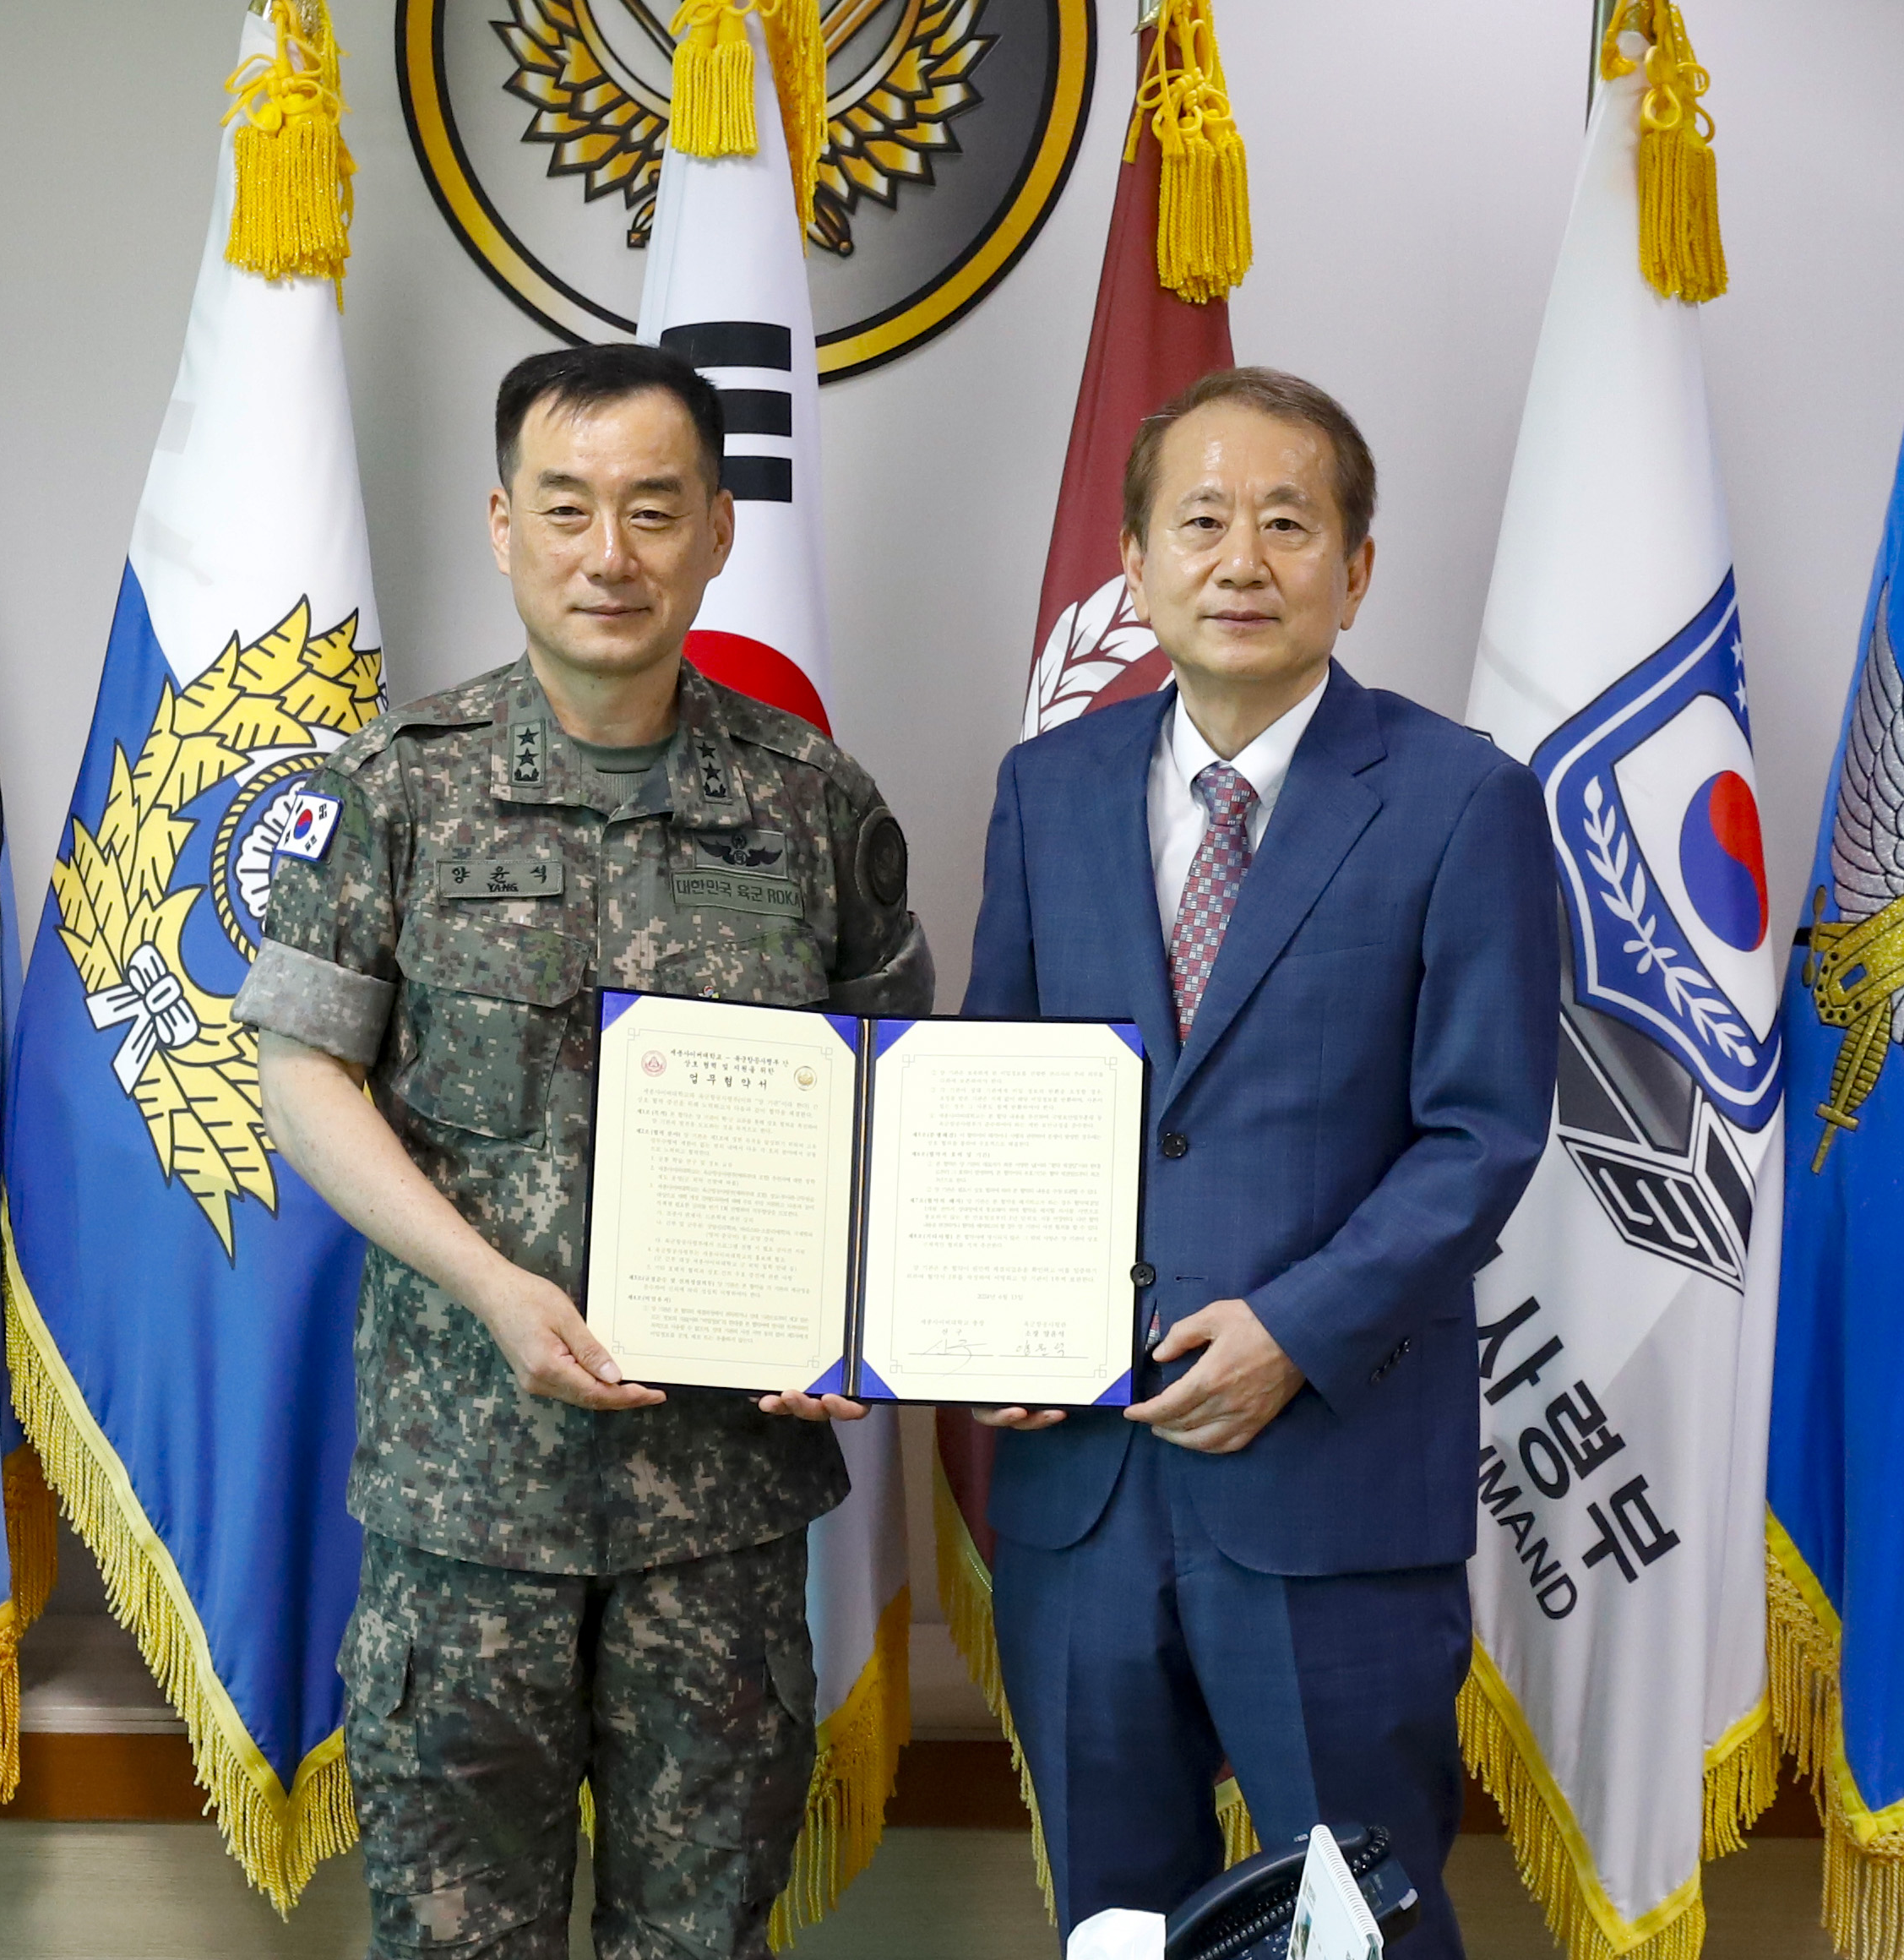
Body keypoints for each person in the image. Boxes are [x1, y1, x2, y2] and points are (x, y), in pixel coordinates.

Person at [237, 342, 933, 1960]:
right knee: (457, 1942)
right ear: (502, 525)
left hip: (723, 1509)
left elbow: (899, 1098)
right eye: (566, 509)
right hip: (466, 1498)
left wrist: (866, 1311)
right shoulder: (394, 793)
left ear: (717, 533)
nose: (607, 554)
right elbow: (304, 1078)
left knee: (702, 1938)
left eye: (648, 509)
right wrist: (490, 1284)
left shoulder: (817, 804)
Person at [965, 367, 1557, 1957]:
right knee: (1111, 1926)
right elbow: (994, 1091)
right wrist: (973, 1310)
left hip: (1329, 1492)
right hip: (1079, 1496)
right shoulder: (1049, 793)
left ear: (1356, 568)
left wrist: (1298, 1330)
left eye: (1289, 524)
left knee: (1355, 1928)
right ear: (1137, 561)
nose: (1243, 561)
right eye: (1202, 521)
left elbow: (1484, 1130)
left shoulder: (1461, 801)